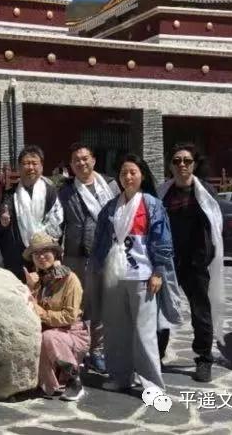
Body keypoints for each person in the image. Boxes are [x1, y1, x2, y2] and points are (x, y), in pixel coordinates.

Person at [90, 154, 182, 392]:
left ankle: (151, 383)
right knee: (115, 330)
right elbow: (100, 241)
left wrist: (158, 272)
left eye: (133, 172)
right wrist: (96, 268)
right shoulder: (111, 207)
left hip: (142, 276)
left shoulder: (152, 205)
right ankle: (120, 377)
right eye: (123, 173)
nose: (128, 177)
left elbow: (162, 241)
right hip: (114, 277)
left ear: (142, 176)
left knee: (144, 333)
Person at [157, 143, 224, 382]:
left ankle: (204, 359)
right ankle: (156, 355)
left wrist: (207, 255)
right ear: (170, 165)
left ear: (194, 164)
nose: (182, 165)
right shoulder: (163, 192)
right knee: (161, 310)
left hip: (196, 262)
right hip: (168, 262)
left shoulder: (205, 191)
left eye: (186, 160)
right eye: (176, 161)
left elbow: (216, 224)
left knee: (200, 312)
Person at [58, 143, 119, 374]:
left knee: (101, 305)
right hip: (76, 255)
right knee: (77, 305)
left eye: (85, 158)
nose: (81, 163)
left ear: (93, 160)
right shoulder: (66, 191)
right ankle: (78, 349)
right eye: (76, 160)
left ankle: (98, 350)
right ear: (71, 165)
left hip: (105, 254)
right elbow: (57, 222)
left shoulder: (110, 185)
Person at [23, 233, 88, 401]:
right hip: (49, 333)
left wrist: (41, 312)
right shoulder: (39, 280)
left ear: (55, 254)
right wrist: (30, 288)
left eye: (45, 252)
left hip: (71, 334)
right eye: (36, 254)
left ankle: (74, 381)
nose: (41, 257)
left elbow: (70, 316)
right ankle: (46, 383)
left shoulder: (70, 279)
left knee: (48, 336)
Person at [0, 145, 63, 281]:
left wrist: (40, 245)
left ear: (41, 166)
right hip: (17, 257)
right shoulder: (10, 194)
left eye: (34, 163)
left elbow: (57, 222)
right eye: (26, 163)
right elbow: (2, 222)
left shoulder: (50, 192)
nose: (31, 167)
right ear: (19, 167)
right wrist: (3, 221)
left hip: (44, 256)